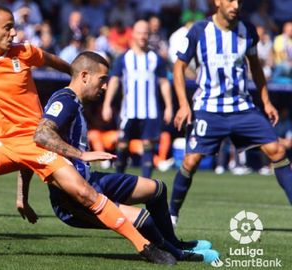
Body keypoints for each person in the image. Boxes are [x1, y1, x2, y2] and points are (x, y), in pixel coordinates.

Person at [0, 5, 175, 263]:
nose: (15, 33)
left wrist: (79, 78)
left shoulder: (24, 52)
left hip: (36, 141)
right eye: (8, 28)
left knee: (85, 193)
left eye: (14, 26)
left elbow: (60, 64)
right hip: (1, 144)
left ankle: (144, 247)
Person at [26, 51, 219, 263]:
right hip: (73, 198)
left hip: (91, 181)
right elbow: (42, 134)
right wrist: (81, 154)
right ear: (84, 76)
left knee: (157, 189)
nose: (105, 86)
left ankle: (175, 243)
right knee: (143, 220)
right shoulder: (65, 101)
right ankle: (179, 255)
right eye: (102, 80)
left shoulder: (74, 101)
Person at [169, 0, 292, 227]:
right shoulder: (199, 30)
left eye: (239, 1)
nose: (235, 5)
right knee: (190, 161)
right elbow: (178, 66)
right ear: (217, 2)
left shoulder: (248, 30)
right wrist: (183, 104)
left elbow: (255, 66)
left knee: (277, 150)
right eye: (230, 0)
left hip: (241, 108)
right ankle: (171, 215)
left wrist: (266, 102)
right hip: (208, 109)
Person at [102, 20, 173, 178]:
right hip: (129, 111)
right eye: (140, 32)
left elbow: (164, 83)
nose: (143, 36)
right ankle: (117, 180)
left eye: (146, 33)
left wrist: (168, 106)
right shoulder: (123, 58)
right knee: (122, 145)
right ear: (133, 34)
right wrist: (107, 104)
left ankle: (147, 185)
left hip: (150, 111)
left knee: (148, 145)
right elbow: (114, 81)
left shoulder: (156, 59)